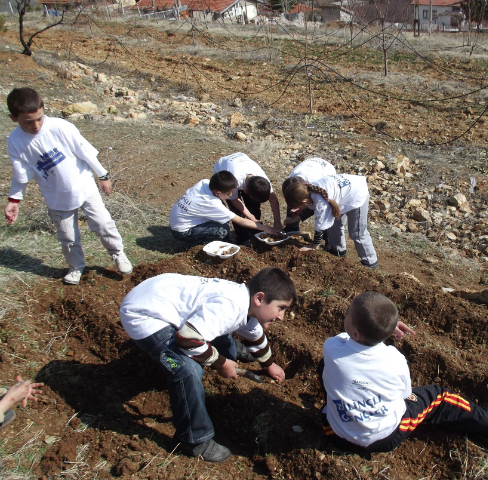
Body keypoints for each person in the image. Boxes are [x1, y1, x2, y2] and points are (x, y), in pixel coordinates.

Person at [317, 291, 488, 456]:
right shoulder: (395, 359)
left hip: (335, 433)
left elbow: (351, 339)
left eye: (347, 315)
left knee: (324, 366)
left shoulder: (332, 347)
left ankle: (335, 410)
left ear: (354, 331)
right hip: (385, 438)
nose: (345, 316)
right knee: (439, 396)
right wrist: (386, 329)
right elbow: (405, 394)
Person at [120, 267, 296, 463]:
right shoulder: (229, 307)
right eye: (281, 308)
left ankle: (229, 349)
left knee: (218, 329)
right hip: (143, 313)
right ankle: (193, 439)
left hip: (163, 294)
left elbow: (254, 335)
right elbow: (187, 339)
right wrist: (220, 363)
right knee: (187, 369)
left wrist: (269, 364)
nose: (281, 317)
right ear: (260, 298)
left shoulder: (245, 301)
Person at [4, 87, 132, 285]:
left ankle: (117, 254)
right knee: (67, 236)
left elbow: (84, 151)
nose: (36, 125)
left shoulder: (60, 127)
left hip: (83, 185)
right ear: (14, 118)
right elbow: (21, 173)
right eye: (28, 122)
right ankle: (75, 267)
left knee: (102, 223)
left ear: (43, 108)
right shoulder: (15, 141)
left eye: (39, 118)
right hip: (55, 195)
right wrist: (14, 200)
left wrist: (102, 174)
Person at [283, 173, 378, 269]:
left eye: (297, 207)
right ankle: (338, 251)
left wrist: (314, 245)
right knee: (334, 225)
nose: (296, 209)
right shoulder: (309, 190)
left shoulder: (321, 202)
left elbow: (320, 225)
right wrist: (297, 218)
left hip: (357, 193)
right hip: (343, 193)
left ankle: (370, 262)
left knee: (357, 232)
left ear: (303, 201)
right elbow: (312, 208)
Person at [169, 171, 281, 248]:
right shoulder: (212, 204)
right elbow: (240, 221)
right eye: (228, 193)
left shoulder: (204, 183)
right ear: (218, 192)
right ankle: (192, 244)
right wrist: (267, 229)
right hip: (182, 231)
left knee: (222, 219)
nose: (231, 195)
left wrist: (250, 216)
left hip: (179, 219)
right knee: (223, 230)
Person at [212, 152, 282, 246]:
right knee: (237, 211)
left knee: (254, 206)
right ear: (246, 191)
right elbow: (234, 199)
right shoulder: (234, 179)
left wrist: (277, 222)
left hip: (241, 161)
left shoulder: (262, 179)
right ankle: (242, 238)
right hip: (224, 170)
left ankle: (254, 231)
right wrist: (249, 216)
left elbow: (273, 199)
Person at [281, 157, 336, 235]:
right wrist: (297, 210)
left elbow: (316, 208)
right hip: (310, 165)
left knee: (325, 210)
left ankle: (327, 236)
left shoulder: (317, 186)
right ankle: (292, 228)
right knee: (292, 200)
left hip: (326, 170)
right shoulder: (290, 180)